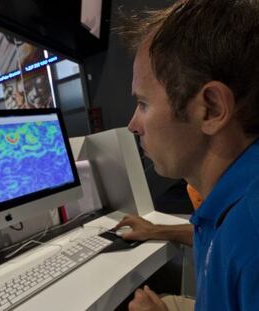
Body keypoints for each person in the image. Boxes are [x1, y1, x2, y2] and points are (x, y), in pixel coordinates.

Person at [114, 0, 259, 310]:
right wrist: (155, 230)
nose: (132, 125)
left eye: (143, 104)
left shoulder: (252, 240)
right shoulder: (231, 200)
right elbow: (215, 235)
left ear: (212, 109)